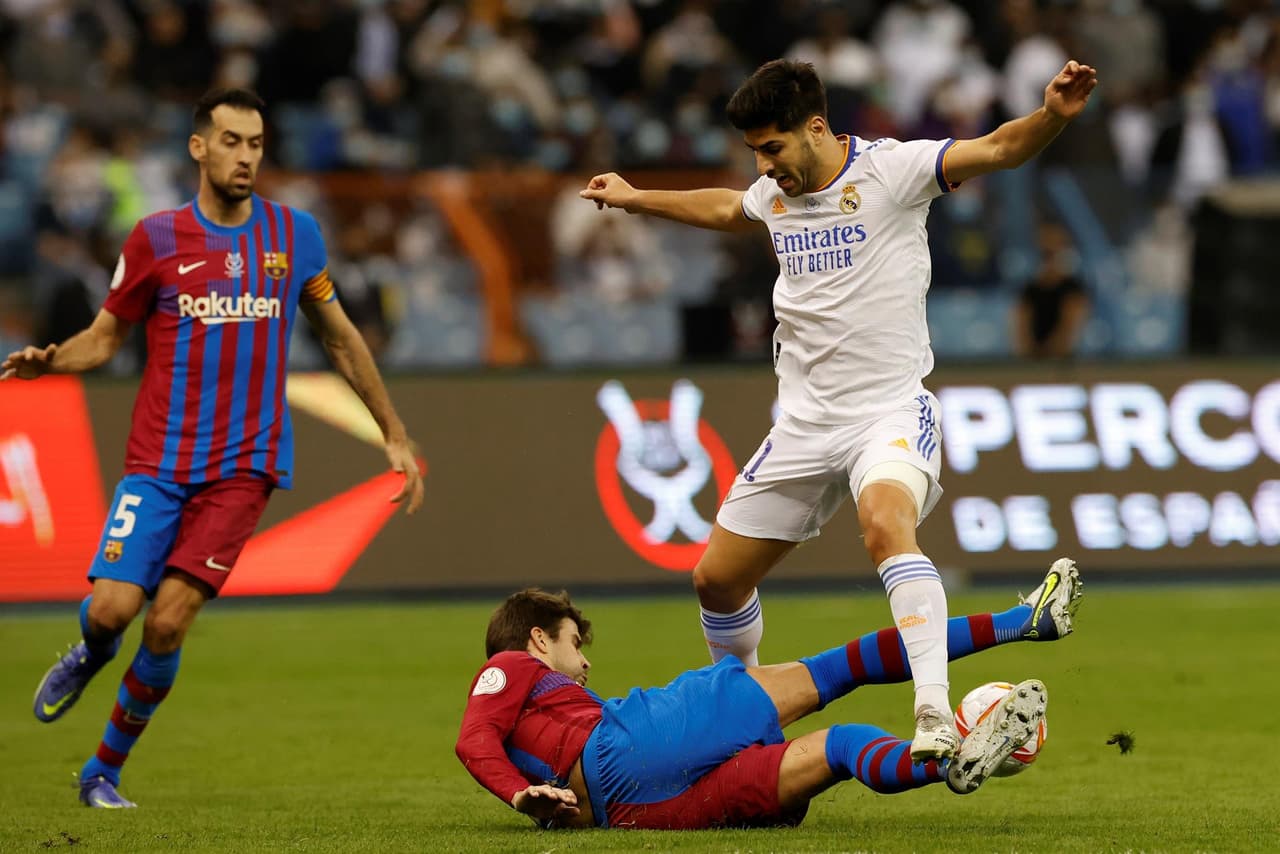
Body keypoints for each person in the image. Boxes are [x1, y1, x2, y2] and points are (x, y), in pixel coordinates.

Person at [580, 58, 1099, 761]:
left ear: (815, 128)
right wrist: (638, 197)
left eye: (772, 148)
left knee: (886, 526)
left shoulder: (894, 171)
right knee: (716, 579)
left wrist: (1051, 117)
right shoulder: (774, 192)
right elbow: (729, 208)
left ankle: (934, 712)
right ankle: (740, 714)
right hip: (803, 423)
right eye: (755, 152)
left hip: (887, 412)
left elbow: (1000, 149)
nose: (764, 166)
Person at [1, 88, 425, 809]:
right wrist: (54, 361)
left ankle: (102, 772)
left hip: (244, 470)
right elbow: (105, 338)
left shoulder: (294, 236)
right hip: (159, 463)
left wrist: (393, 432)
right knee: (111, 611)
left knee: (166, 621)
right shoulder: (156, 240)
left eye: (256, 143)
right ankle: (92, 652)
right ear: (198, 147)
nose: (246, 157)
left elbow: (340, 336)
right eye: (231, 141)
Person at [457, 559, 1081, 830]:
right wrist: (517, 795)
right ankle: (1023, 622)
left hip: (636, 812)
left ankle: (955, 761)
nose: (584, 659)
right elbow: (471, 737)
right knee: (841, 667)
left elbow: (496, 754)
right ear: (538, 640)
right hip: (632, 744)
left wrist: (525, 795)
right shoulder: (510, 665)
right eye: (572, 643)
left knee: (840, 748)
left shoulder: (532, 741)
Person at [1012, 221, 1089, 359]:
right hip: (1032, 361)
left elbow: (1071, 330)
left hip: (1063, 364)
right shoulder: (1029, 289)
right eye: (1045, 251)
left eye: (1053, 248)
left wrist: (1051, 352)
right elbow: (1020, 331)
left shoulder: (1073, 288)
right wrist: (1032, 354)